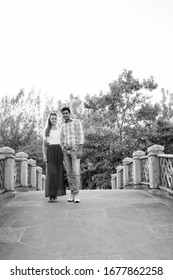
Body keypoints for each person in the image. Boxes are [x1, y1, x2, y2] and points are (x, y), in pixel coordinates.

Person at [60, 106, 84, 203]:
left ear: (69, 113)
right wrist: (63, 150)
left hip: (75, 150)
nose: (65, 115)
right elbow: (61, 139)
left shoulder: (76, 122)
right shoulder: (62, 126)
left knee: (76, 172)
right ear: (62, 115)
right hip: (66, 151)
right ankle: (71, 193)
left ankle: (76, 194)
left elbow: (81, 135)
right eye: (63, 113)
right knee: (69, 173)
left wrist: (80, 149)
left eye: (66, 113)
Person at [43, 112, 66, 202]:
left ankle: (55, 194)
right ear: (49, 119)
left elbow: (62, 143)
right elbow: (44, 144)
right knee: (51, 173)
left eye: (55, 118)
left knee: (57, 173)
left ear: (57, 119)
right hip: (50, 151)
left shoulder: (60, 129)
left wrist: (64, 156)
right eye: (52, 118)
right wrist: (44, 155)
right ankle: (50, 194)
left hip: (59, 151)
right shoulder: (46, 130)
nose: (54, 120)